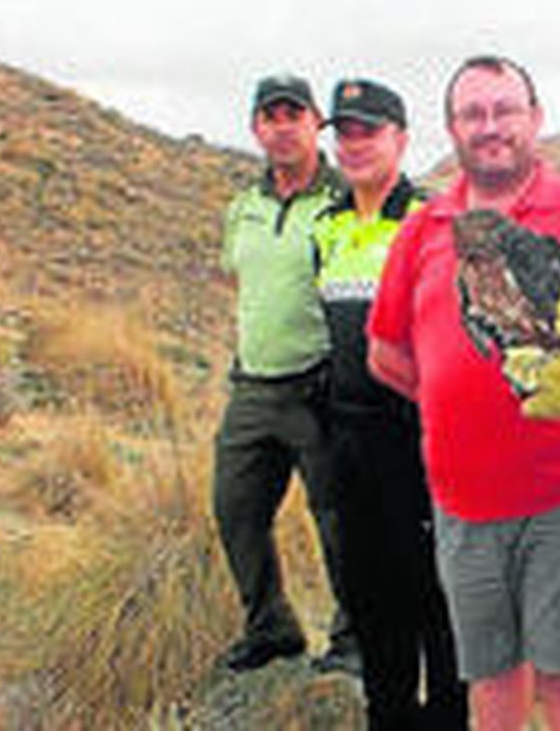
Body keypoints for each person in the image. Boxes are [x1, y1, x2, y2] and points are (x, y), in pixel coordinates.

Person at [365, 56, 560, 731]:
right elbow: (386, 353)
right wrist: (461, 407)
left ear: (535, 119)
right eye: (473, 114)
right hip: (462, 503)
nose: (491, 126)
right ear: (451, 129)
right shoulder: (423, 229)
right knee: (492, 682)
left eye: (505, 109)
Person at [313, 78, 465, 727]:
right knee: (372, 603)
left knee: (437, 600)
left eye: (368, 131)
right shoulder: (328, 225)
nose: (354, 145)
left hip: (420, 439)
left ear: (401, 138)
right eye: (344, 133)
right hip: (348, 443)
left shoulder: (434, 223)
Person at [212, 73, 351, 672]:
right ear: (256, 129)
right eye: (271, 116)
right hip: (253, 386)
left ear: (315, 122)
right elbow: (241, 279)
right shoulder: (242, 207)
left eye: (294, 114)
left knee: (339, 522)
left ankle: (355, 641)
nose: (282, 126)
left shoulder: (343, 200)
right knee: (235, 508)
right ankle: (271, 628)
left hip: (319, 387)